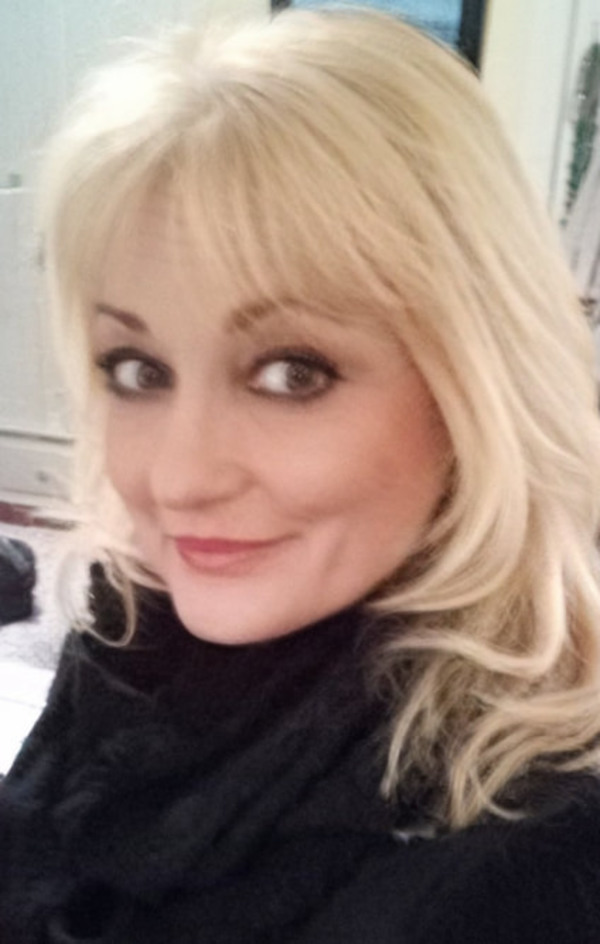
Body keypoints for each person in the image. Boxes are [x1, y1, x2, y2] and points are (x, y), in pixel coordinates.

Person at [2, 8, 600, 942]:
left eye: (291, 373)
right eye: (139, 370)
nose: (177, 479)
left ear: (474, 387)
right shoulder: (137, 628)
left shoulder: (528, 861)